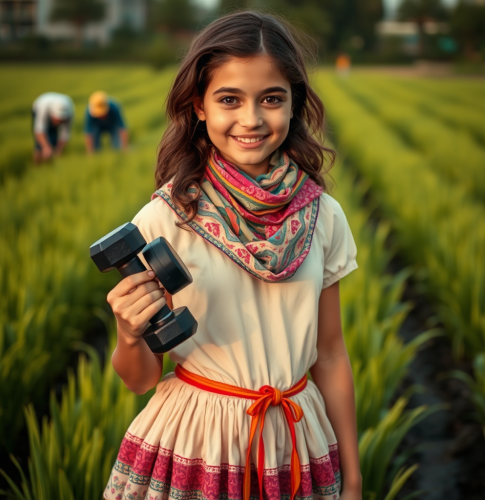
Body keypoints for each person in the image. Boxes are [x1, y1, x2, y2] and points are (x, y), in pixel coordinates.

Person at [103, 11, 362, 500]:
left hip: (296, 442)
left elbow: (330, 354)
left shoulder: (323, 216)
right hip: (195, 443)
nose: (252, 119)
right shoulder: (165, 218)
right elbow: (139, 381)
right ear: (199, 106)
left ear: (293, 105)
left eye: (271, 99)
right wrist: (128, 333)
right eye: (229, 99)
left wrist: (354, 475)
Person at [32, 92, 74, 164]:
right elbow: (39, 131)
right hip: (38, 108)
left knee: (54, 140)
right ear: (52, 115)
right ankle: (37, 164)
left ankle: (51, 164)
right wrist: (46, 147)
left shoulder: (70, 109)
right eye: (57, 120)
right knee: (39, 145)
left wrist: (59, 150)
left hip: (55, 110)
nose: (58, 123)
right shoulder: (43, 107)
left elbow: (65, 133)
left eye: (61, 121)